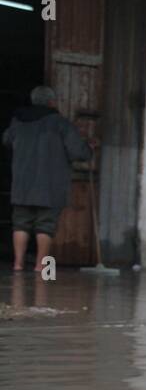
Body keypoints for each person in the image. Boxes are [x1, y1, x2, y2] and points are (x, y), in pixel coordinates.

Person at [2, 86, 91, 271]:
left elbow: (6, 140)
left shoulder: (18, 121)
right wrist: (89, 147)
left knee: (20, 223)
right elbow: (78, 152)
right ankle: (40, 265)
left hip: (22, 183)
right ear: (52, 102)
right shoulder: (60, 124)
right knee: (45, 225)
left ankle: (18, 264)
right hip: (50, 184)